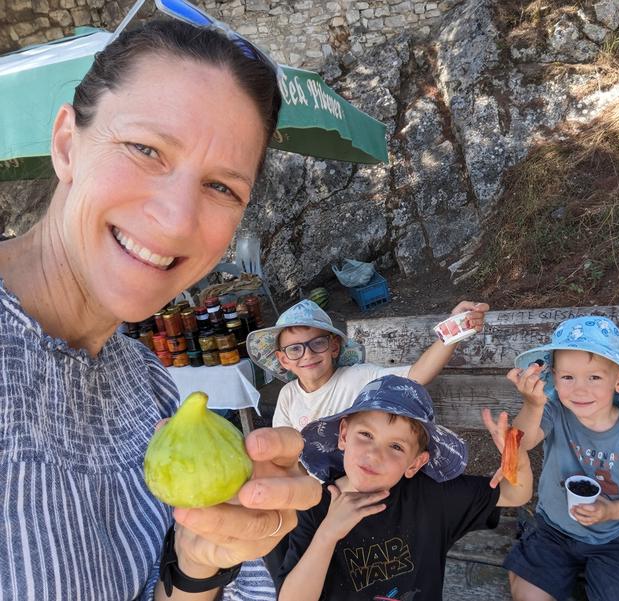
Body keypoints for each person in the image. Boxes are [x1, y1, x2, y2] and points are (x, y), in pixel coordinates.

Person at [0, 18, 321, 601]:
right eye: (145, 149)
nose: (175, 221)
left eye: (222, 188)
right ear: (67, 144)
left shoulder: (149, 386)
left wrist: (198, 564)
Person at [275, 374, 534, 600]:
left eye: (396, 446)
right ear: (344, 435)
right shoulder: (314, 506)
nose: (374, 454)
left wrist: (517, 457)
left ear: (415, 463)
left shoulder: (432, 497)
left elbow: (515, 494)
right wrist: (327, 535)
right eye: (366, 435)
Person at [503, 316, 619, 601]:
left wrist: (612, 511)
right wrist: (532, 405)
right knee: (527, 595)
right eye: (567, 377)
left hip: (615, 538)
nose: (579, 389)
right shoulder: (555, 413)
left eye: (594, 377)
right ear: (553, 378)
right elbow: (521, 442)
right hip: (553, 530)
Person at [246, 298, 489, 430]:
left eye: (318, 343)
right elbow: (284, 448)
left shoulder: (359, 378)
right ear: (283, 360)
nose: (307, 354)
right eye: (295, 349)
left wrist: (454, 327)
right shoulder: (288, 396)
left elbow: (417, 375)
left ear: (334, 347)